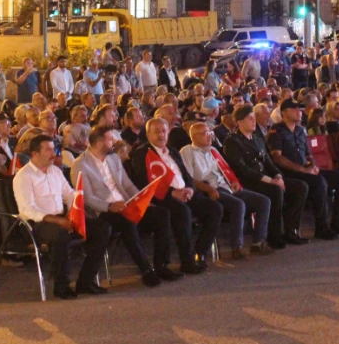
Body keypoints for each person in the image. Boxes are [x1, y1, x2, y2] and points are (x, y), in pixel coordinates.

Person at [71, 126, 179, 288]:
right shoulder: (80, 164)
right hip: (103, 210)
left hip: (126, 204)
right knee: (127, 222)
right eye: (110, 139)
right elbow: (85, 197)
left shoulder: (113, 158)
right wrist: (109, 206)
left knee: (161, 213)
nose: (114, 142)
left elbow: (127, 185)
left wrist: (141, 199)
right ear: (99, 143)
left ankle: (161, 265)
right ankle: (145, 270)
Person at [14, 135, 112, 299]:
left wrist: (73, 209)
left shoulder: (55, 171)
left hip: (61, 218)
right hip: (37, 223)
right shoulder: (24, 176)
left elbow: (69, 194)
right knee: (61, 235)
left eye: (54, 149)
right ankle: (61, 286)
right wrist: (57, 220)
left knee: (102, 228)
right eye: (48, 150)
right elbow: (27, 210)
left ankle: (86, 281)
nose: (54, 153)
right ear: (34, 154)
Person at [130, 118, 222, 274]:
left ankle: (199, 252)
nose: (161, 135)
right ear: (148, 133)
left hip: (185, 192)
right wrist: (172, 193)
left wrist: (190, 189)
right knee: (182, 212)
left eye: (164, 131)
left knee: (215, 208)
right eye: (157, 131)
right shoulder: (142, 153)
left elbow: (186, 175)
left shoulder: (172, 151)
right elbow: (143, 181)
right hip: (161, 196)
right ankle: (187, 260)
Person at [267, 99, 339, 240]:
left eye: (299, 109)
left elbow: (308, 154)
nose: (299, 112)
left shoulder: (299, 130)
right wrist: (302, 170)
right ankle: (321, 227)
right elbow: (277, 158)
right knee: (319, 182)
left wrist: (313, 165)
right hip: (290, 173)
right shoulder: (276, 131)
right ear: (284, 113)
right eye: (294, 109)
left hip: (306, 171)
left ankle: (338, 222)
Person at [180, 122, 273, 259]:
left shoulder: (213, 150)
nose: (210, 136)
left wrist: (234, 182)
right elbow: (188, 178)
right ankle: (236, 247)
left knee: (263, 201)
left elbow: (226, 170)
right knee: (238, 204)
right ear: (194, 136)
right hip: (210, 189)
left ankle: (258, 242)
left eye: (211, 133)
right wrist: (208, 188)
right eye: (206, 134)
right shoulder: (187, 151)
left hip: (226, 186)